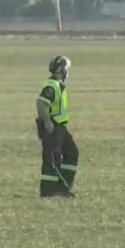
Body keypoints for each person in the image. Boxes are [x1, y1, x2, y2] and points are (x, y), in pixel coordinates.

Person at [35, 55, 79, 198]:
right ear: (63, 70)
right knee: (52, 159)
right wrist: (48, 122)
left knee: (71, 153)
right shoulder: (52, 86)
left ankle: (62, 188)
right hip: (53, 127)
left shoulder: (58, 85)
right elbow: (41, 103)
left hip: (60, 127)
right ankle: (48, 191)